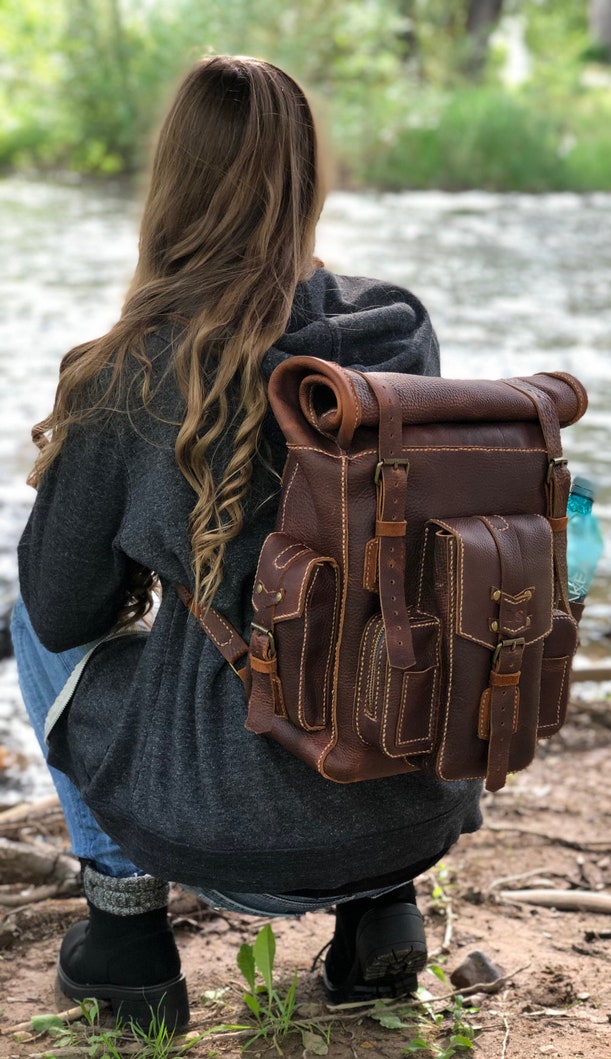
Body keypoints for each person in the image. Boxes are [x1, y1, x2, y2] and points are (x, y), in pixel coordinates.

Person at [11, 55, 483, 1032]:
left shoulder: (135, 368)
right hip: (417, 811)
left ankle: (127, 938)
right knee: (370, 592)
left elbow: (64, 609)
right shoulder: (395, 327)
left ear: (170, 182)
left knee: (29, 619)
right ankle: (377, 919)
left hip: (233, 836)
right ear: (308, 176)